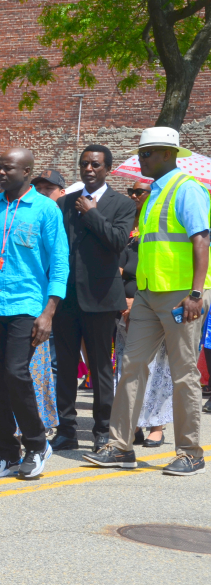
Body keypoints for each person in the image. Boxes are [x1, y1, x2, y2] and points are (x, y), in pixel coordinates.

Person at [85, 127, 211, 476]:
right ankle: (121, 446)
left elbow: (202, 240)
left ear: (170, 154)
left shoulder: (187, 189)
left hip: (181, 294)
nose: (142, 159)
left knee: (184, 374)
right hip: (148, 294)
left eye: (148, 153)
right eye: (141, 153)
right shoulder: (154, 193)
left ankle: (190, 452)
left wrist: (196, 293)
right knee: (131, 367)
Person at [0, 147, 69, 479]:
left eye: (8, 169)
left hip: (28, 305)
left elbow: (60, 264)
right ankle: (7, 452)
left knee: (16, 373)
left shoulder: (46, 209)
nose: (0, 173)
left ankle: (36, 445)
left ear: (27, 172)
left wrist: (49, 311)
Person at [50, 146, 136, 453]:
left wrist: (92, 213)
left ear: (107, 169)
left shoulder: (123, 204)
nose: (89, 168)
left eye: (95, 165)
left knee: (101, 367)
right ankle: (65, 429)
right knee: (65, 365)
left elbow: (117, 242)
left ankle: (102, 430)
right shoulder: (64, 203)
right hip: (68, 297)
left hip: (101, 297)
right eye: (84, 163)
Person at [117, 180, 172, 448]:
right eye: (131, 191)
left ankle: (157, 425)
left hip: (153, 301)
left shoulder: (160, 222)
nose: (135, 196)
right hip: (124, 304)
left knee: (158, 366)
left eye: (140, 192)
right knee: (129, 367)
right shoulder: (128, 223)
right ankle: (134, 424)